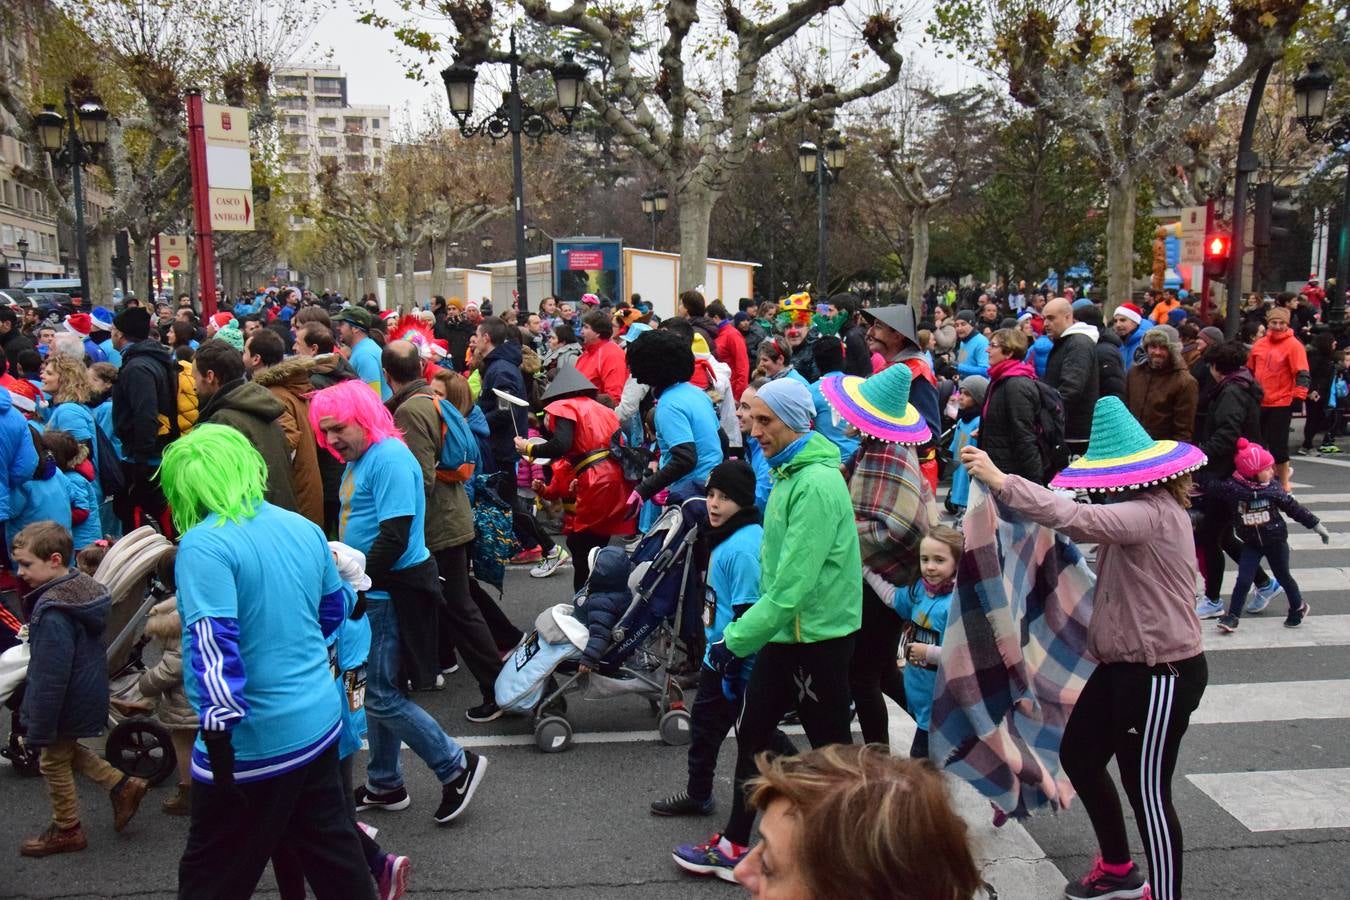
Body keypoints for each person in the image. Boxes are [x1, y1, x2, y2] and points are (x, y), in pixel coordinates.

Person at [961, 396, 1208, 900]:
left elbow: (1077, 518)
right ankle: (1117, 867)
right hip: (1121, 669)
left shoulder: (1152, 514)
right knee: (1080, 754)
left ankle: (1165, 895)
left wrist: (1002, 480)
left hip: (1163, 674)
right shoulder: (1140, 512)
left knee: (1149, 794)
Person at [157, 425, 374, 899]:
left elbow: (212, 644)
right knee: (333, 854)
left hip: (253, 740)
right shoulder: (300, 526)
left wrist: (217, 739)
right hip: (317, 720)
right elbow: (332, 608)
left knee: (212, 873)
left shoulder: (203, 545)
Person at [675, 377, 860, 881]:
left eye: (764, 420)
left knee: (831, 755)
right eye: (751, 417)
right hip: (785, 633)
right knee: (755, 735)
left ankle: (850, 854)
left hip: (818, 637)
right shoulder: (786, 471)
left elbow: (792, 587)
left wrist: (732, 641)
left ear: (795, 422)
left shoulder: (815, 484)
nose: (753, 429)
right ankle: (736, 841)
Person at [308, 381, 489, 825]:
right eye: (324, 432)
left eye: (338, 429)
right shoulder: (365, 456)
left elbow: (397, 535)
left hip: (391, 593)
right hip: (376, 589)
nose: (331, 440)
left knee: (380, 695)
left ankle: (456, 766)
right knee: (376, 692)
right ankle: (385, 782)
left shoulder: (387, 457)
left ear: (363, 418)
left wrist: (354, 577)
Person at [650, 460, 791, 818]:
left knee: (759, 738)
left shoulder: (743, 547)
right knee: (707, 729)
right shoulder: (727, 536)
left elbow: (748, 612)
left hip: (738, 661)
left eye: (724, 497)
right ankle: (699, 794)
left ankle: (809, 787)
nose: (713, 504)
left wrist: (733, 666)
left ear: (743, 502)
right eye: (710, 494)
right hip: (721, 655)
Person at [382, 340, 504, 725]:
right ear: (420, 368)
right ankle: (494, 684)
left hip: (439, 525)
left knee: (460, 610)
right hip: (452, 518)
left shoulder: (410, 411)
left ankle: (497, 689)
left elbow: (420, 478)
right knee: (460, 606)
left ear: (387, 376)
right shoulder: (429, 402)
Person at [14, 521, 149, 857]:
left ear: (55, 559)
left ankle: (67, 828)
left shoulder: (54, 611)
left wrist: (38, 725)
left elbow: (50, 676)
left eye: (27, 564)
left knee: (51, 760)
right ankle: (122, 784)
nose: (20, 572)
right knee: (64, 750)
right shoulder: (82, 591)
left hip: (65, 698)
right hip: (85, 690)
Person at [517, 366, 635, 589]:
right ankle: (599, 598)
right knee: (595, 545)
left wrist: (528, 448)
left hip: (595, 478)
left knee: (582, 549)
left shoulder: (564, 406)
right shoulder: (604, 410)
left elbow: (561, 444)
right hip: (615, 476)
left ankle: (585, 601)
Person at [1193, 341, 1279, 620]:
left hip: (1227, 474)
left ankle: (1214, 598)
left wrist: (1199, 454)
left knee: (1209, 536)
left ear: (1216, 367)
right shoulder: (1243, 385)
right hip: (1235, 473)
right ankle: (1265, 583)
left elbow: (1227, 434)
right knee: (1223, 535)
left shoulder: (1230, 392)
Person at [863, 525, 962, 759]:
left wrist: (928, 652)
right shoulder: (920, 590)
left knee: (919, 770)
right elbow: (892, 598)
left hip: (940, 706)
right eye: (924, 559)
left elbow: (963, 655)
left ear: (957, 563)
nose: (929, 566)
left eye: (939, 560)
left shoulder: (956, 604)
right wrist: (865, 569)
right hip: (920, 700)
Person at [1211, 439, 1329, 633]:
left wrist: (1315, 525)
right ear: (1252, 472)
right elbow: (1212, 486)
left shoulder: (1273, 489)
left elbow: (1294, 509)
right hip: (1251, 543)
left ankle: (1298, 607)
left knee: (1283, 576)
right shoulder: (1233, 489)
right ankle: (1233, 616)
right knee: (1243, 580)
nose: (1272, 471)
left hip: (1275, 541)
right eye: (1267, 469)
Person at [476, 316, 565, 570]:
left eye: (477, 335)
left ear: (486, 338)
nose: (475, 341)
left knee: (511, 504)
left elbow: (505, 411)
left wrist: (475, 418)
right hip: (500, 445)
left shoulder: (501, 368)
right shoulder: (498, 365)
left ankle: (548, 547)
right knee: (507, 503)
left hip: (502, 447)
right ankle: (535, 546)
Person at [193, 339, 299, 513]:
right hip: (277, 513)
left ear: (210, 376)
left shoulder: (223, 421)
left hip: (252, 520)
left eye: (194, 377)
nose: (193, 385)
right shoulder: (256, 405)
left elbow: (218, 489)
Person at [626, 329, 724, 515]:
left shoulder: (668, 405)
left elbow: (685, 458)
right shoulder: (696, 393)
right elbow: (722, 440)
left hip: (690, 496)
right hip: (712, 489)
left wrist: (644, 490)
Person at [246, 329, 324, 527]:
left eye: (245, 351)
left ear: (256, 359)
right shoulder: (284, 389)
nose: (242, 356)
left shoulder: (274, 395)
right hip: (303, 490)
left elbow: (287, 440)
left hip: (294, 494)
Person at [110, 307, 176, 533]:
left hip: (147, 460)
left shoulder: (137, 367)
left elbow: (145, 413)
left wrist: (140, 459)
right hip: (152, 453)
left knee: (143, 519)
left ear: (120, 334)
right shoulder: (150, 359)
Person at [1247, 305, 1309, 492]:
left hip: (1281, 401)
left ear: (1287, 324)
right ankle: (1265, 477)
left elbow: (1302, 373)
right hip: (1260, 400)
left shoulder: (1294, 345)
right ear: (1268, 323)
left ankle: (1284, 483)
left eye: (1281, 323)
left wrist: (1298, 397)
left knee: (1278, 445)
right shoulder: (1260, 344)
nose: (1277, 326)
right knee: (1258, 443)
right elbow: (1250, 370)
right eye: (1274, 322)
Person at [979, 328, 1046, 483]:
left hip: (1010, 475)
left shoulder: (1016, 385)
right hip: (997, 470)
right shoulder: (999, 379)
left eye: (993, 345)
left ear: (1008, 353)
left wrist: (1036, 483)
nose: (987, 349)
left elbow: (1024, 435)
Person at [1042, 297, 1099, 460]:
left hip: (1075, 433)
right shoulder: (1066, 343)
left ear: (1068, 317)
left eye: (1051, 318)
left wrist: (1047, 417)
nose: (1045, 324)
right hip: (1066, 429)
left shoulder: (1078, 344)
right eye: (1044, 318)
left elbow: (1070, 389)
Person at [1125, 327, 1198, 442]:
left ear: (1172, 351)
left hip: (1163, 449)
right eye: (1153, 346)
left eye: (1163, 347)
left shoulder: (1185, 382)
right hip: (1132, 444)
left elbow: (1183, 429)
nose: (1157, 352)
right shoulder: (1134, 372)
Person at [806, 336, 858, 462]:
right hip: (859, 460)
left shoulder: (810, 392)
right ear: (843, 357)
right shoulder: (860, 385)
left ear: (816, 362)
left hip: (831, 463)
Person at [574, 309, 629, 407]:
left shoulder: (612, 355)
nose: (581, 332)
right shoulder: (586, 353)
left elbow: (614, 399)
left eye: (586, 327)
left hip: (599, 415)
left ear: (598, 333)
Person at [948, 376, 985, 517]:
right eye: (961, 393)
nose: (961, 397)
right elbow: (954, 450)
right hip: (959, 478)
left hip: (970, 482)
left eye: (967, 394)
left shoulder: (978, 423)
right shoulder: (961, 422)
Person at [335, 306, 389, 400]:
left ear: (355, 328)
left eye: (341, 323)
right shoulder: (364, 348)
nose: (337, 327)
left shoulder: (364, 355)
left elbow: (373, 399)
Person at [709, 300, 750, 401]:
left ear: (716, 318)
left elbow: (743, 367)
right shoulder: (717, 333)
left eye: (707, 319)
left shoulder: (732, 335)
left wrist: (738, 396)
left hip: (732, 392)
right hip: (721, 391)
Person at [1112, 302, 1153, 369]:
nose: (1118, 325)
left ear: (1135, 322)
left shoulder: (1147, 342)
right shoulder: (1116, 342)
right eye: (1115, 321)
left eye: (1123, 320)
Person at [953, 311, 990, 377]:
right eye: (956, 325)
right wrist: (958, 375)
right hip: (964, 384)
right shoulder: (963, 341)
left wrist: (957, 366)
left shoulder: (982, 342)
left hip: (978, 385)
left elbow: (986, 370)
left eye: (963, 324)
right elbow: (962, 363)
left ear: (972, 325)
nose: (959, 328)